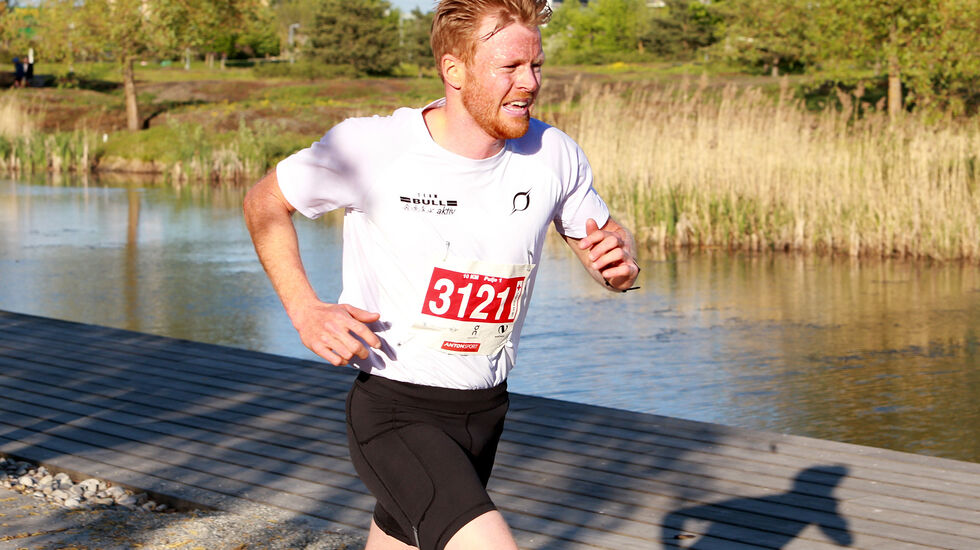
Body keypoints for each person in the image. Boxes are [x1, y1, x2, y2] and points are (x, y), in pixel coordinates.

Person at [243, 1, 640, 548]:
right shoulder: (374, 148)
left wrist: (620, 262)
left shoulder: (553, 155)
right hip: (395, 408)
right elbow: (265, 201)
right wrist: (304, 308)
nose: (529, 83)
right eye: (510, 69)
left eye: (537, 66)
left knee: (402, 536)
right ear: (454, 71)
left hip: (487, 409)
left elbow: (603, 237)